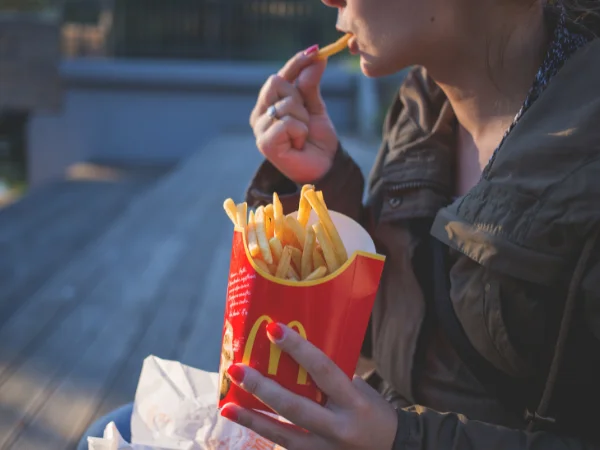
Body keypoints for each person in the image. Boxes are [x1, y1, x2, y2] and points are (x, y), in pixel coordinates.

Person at [78, 0, 600, 448]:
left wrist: (398, 439)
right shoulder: (423, 106)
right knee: (114, 427)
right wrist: (323, 182)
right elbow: (392, 341)